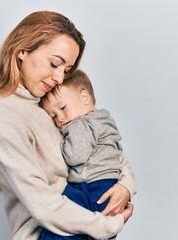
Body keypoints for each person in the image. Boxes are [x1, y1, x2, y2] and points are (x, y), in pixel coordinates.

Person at [0, 10, 136, 240]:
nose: (59, 78)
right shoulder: (2, 115)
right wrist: (106, 225)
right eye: (55, 63)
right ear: (23, 51)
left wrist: (126, 186)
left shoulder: (49, 103)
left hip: (87, 227)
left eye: (67, 70)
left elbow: (106, 147)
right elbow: (42, 202)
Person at [39, 69, 128, 240]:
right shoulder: (103, 119)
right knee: (101, 232)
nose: (60, 119)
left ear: (85, 98)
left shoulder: (82, 123)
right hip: (107, 185)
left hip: (90, 186)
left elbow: (74, 156)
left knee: (61, 227)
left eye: (63, 108)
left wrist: (62, 141)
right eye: (54, 116)